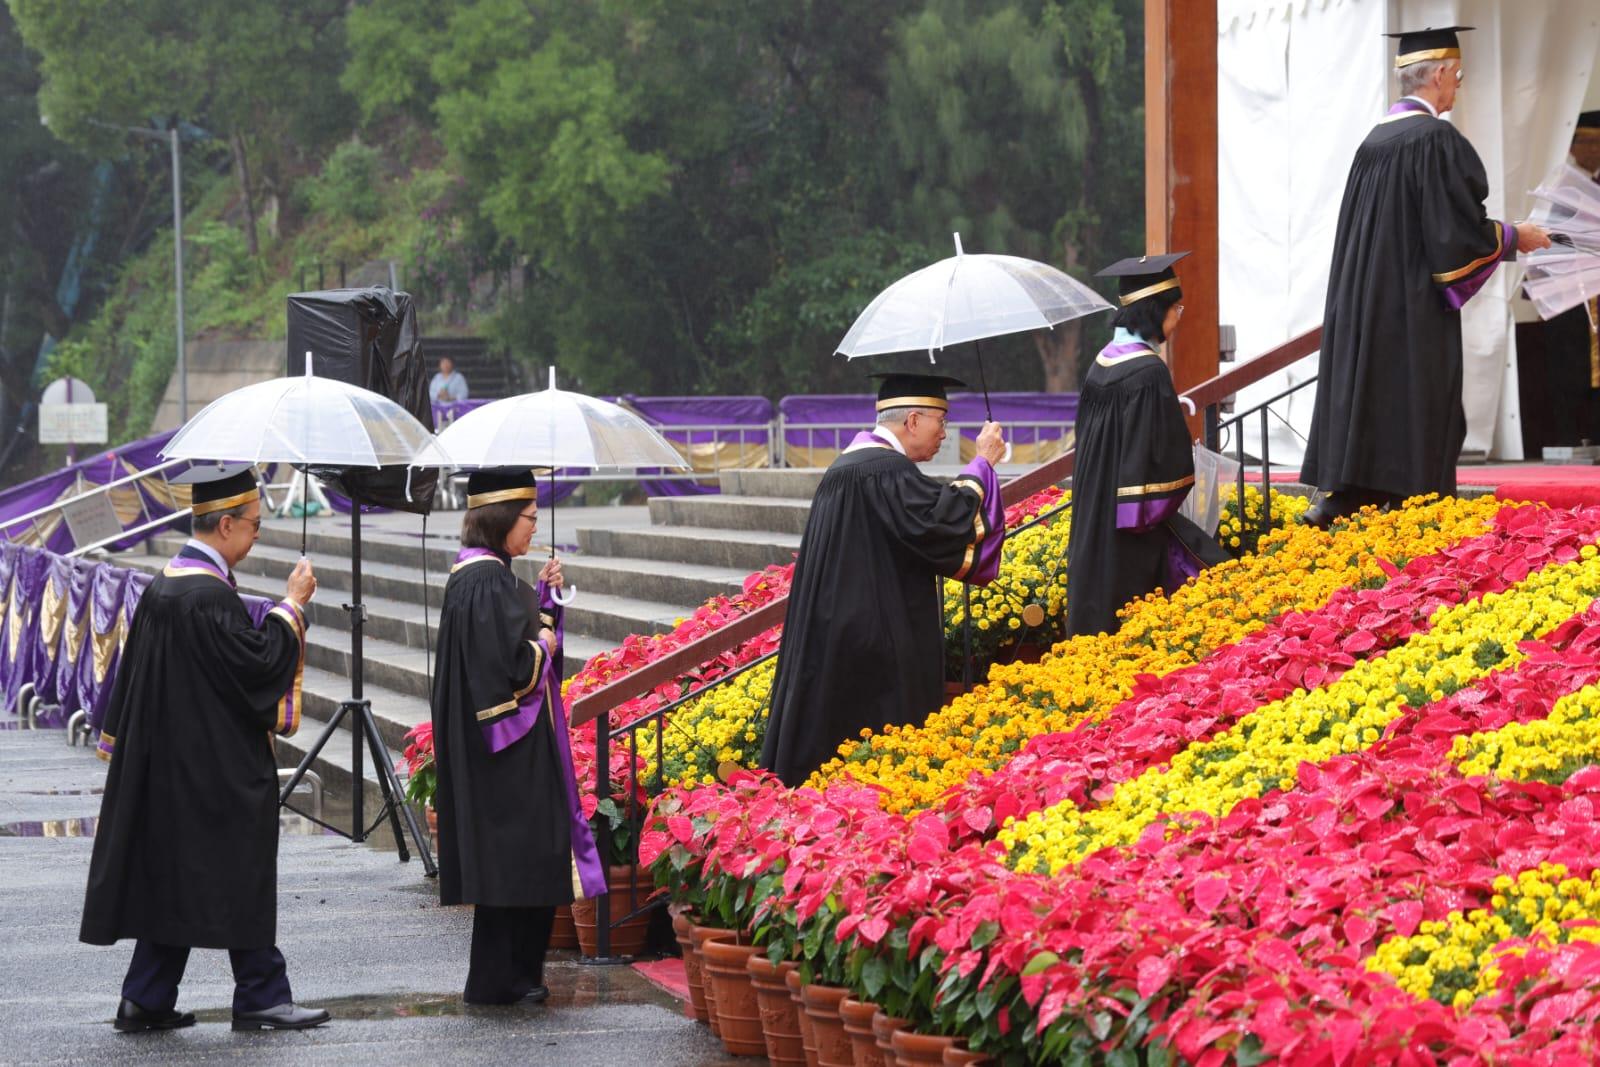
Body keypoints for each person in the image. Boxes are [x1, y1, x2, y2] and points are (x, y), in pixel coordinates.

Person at [80, 463, 330, 1033]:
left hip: (167, 763)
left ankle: (145, 995)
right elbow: (256, 665)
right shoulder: (206, 597)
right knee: (237, 871)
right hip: (212, 770)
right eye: (253, 524)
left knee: (177, 881)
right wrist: (292, 606)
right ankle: (262, 994)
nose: (257, 533)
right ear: (224, 526)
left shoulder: (167, 585)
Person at [1300, 25, 1552, 527]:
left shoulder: (1372, 144)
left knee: (1373, 402)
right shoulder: (1433, 140)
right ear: (1437, 74)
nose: (1458, 85)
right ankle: (1418, 522)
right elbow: (1454, 236)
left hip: (1362, 307)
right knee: (1418, 409)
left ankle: (1349, 501)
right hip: (1410, 312)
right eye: (1456, 74)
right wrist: (1511, 236)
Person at [759, 374, 1007, 787]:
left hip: (834, 633)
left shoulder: (847, 466)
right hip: (872, 643)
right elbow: (941, 523)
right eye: (940, 421)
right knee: (872, 761)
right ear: (912, 420)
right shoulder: (884, 471)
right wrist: (982, 463)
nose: (944, 434)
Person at [430, 467, 606, 1005]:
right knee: (517, 856)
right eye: (529, 517)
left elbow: (513, 636)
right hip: (507, 745)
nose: (534, 527)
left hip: (497, 744)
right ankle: (501, 979)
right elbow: (518, 665)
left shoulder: (480, 578)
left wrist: (545, 603)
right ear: (503, 518)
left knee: (521, 857)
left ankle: (520, 976)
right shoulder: (487, 582)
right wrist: (547, 634)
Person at [1066, 254, 1229, 639]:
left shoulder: (1100, 365)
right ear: (1156, 310)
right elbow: (1163, 465)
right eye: (1177, 308)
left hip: (1094, 516)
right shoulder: (1148, 372)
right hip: (1131, 533)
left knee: (1096, 615)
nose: (1179, 317)